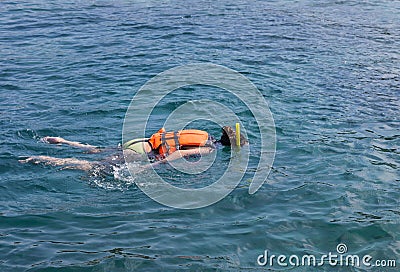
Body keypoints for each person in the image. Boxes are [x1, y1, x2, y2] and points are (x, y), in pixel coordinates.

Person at [19, 126, 248, 172]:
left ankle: (63, 141)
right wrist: (153, 166)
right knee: (94, 166)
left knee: (98, 150)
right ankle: (41, 158)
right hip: (142, 153)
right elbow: (178, 153)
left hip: (140, 142)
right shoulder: (210, 150)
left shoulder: (203, 134)